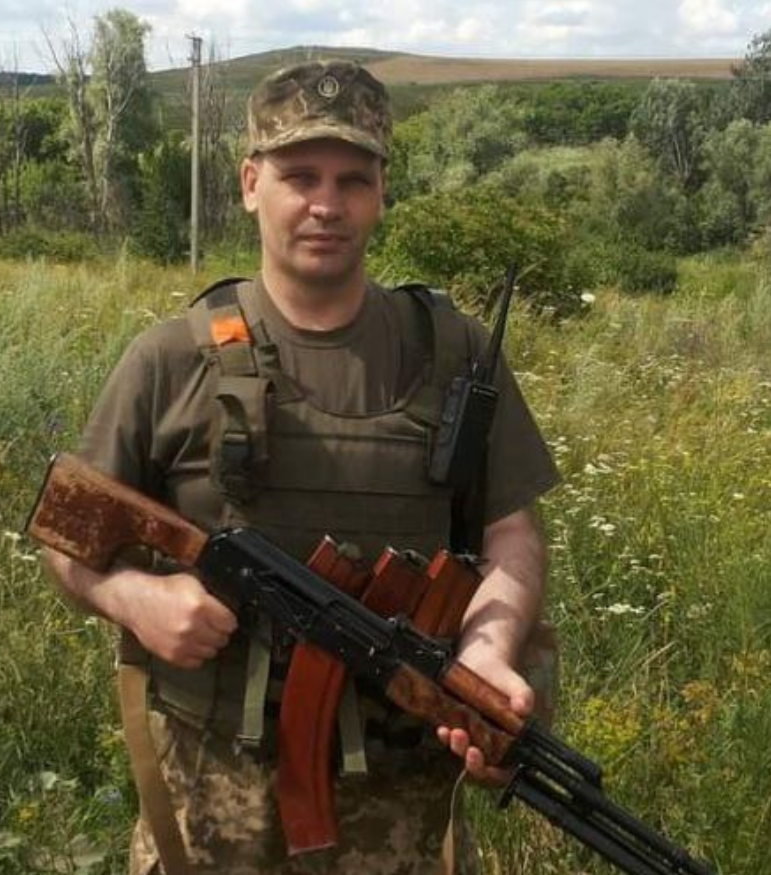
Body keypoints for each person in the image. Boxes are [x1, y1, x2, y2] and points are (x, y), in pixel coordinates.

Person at [44, 59, 559, 875]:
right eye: (299, 175)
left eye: (353, 179)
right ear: (251, 183)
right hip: (211, 801)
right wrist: (130, 595)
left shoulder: (454, 351)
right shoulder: (170, 358)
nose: (326, 204)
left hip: (399, 799)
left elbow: (510, 534)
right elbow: (66, 535)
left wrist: (489, 650)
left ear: (382, 193)